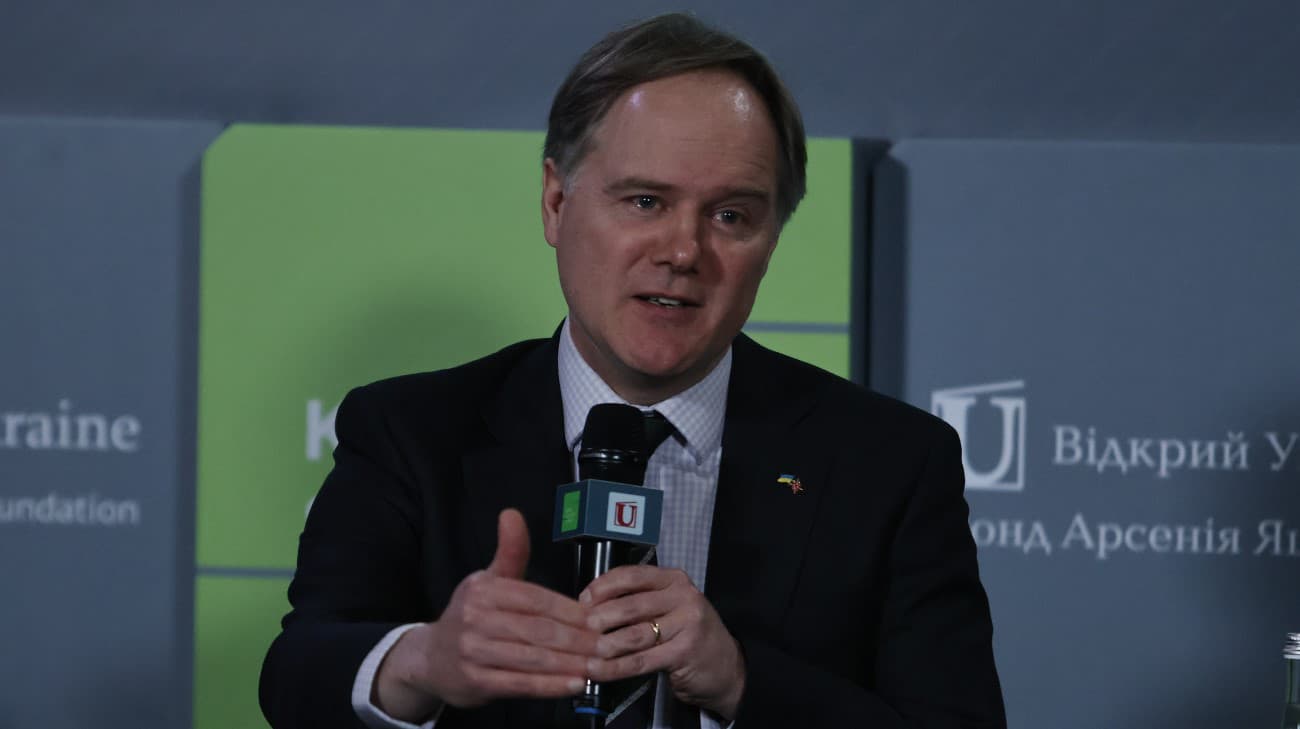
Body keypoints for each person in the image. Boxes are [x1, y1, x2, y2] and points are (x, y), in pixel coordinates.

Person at [259, 12, 1005, 729]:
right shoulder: (411, 432)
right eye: (646, 201)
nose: (683, 251)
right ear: (556, 201)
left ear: (772, 239)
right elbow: (298, 676)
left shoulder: (891, 465)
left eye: (731, 216)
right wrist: (422, 660)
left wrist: (742, 682)